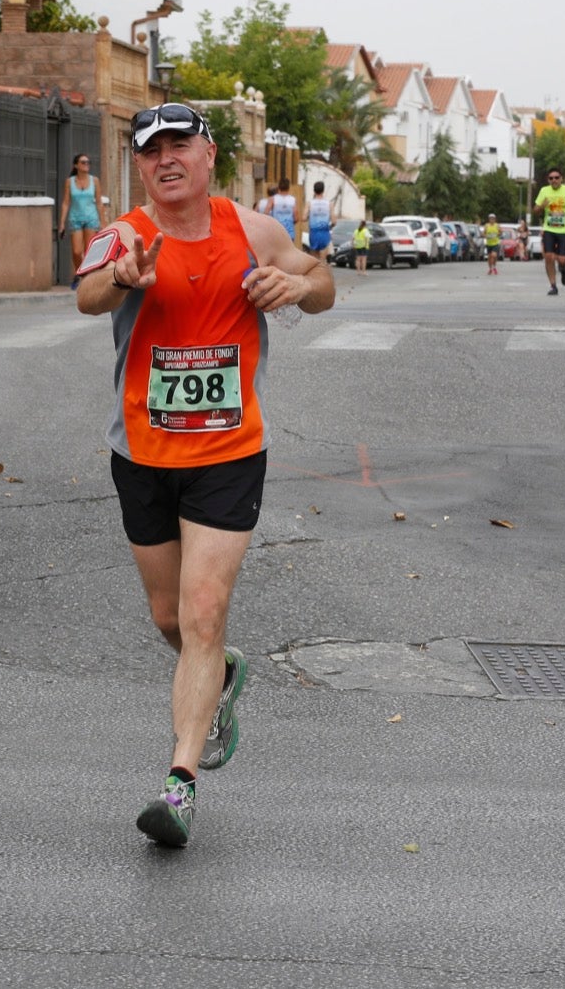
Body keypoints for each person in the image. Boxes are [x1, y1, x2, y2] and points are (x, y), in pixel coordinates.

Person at [73, 102, 335, 847]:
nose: (166, 159)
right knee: (170, 620)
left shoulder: (251, 230)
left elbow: (322, 282)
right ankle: (221, 675)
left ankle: (179, 785)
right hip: (143, 454)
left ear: (208, 154)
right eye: (152, 149)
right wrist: (122, 277)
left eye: (180, 145)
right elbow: (88, 295)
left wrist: (296, 288)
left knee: (202, 614)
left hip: (229, 452)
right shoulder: (123, 235)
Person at [58, 153, 106, 289]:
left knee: (88, 251)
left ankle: (85, 278)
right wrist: (62, 223)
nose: (86, 165)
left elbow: (99, 202)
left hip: (91, 219)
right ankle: (81, 273)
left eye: (88, 162)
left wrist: (103, 223)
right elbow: (66, 203)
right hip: (75, 219)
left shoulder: (94, 180)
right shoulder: (70, 182)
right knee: (77, 251)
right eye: (83, 162)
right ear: (76, 165)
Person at [533, 167, 565, 295]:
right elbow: (535, 210)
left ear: (561, 179)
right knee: (548, 256)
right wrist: (542, 206)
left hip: (564, 230)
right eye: (551, 178)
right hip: (549, 229)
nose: (554, 180)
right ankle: (553, 286)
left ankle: (563, 269)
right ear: (548, 180)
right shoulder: (544, 191)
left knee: (563, 259)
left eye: (556, 178)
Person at [305, 181, 336, 258]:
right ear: (323, 190)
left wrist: (311, 216)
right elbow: (334, 221)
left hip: (314, 233)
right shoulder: (329, 203)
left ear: (314, 190)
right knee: (323, 260)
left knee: (315, 260)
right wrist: (330, 226)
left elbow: (303, 218)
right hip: (324, 232)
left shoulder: (309, 203)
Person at [270, 178, 297, 242]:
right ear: (288, 187)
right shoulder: (292, 200)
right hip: (289, 232)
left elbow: (266, 213)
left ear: (279, 187)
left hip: (277, 231)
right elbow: (296, 218)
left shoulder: (273, 199)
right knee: (289, 251)